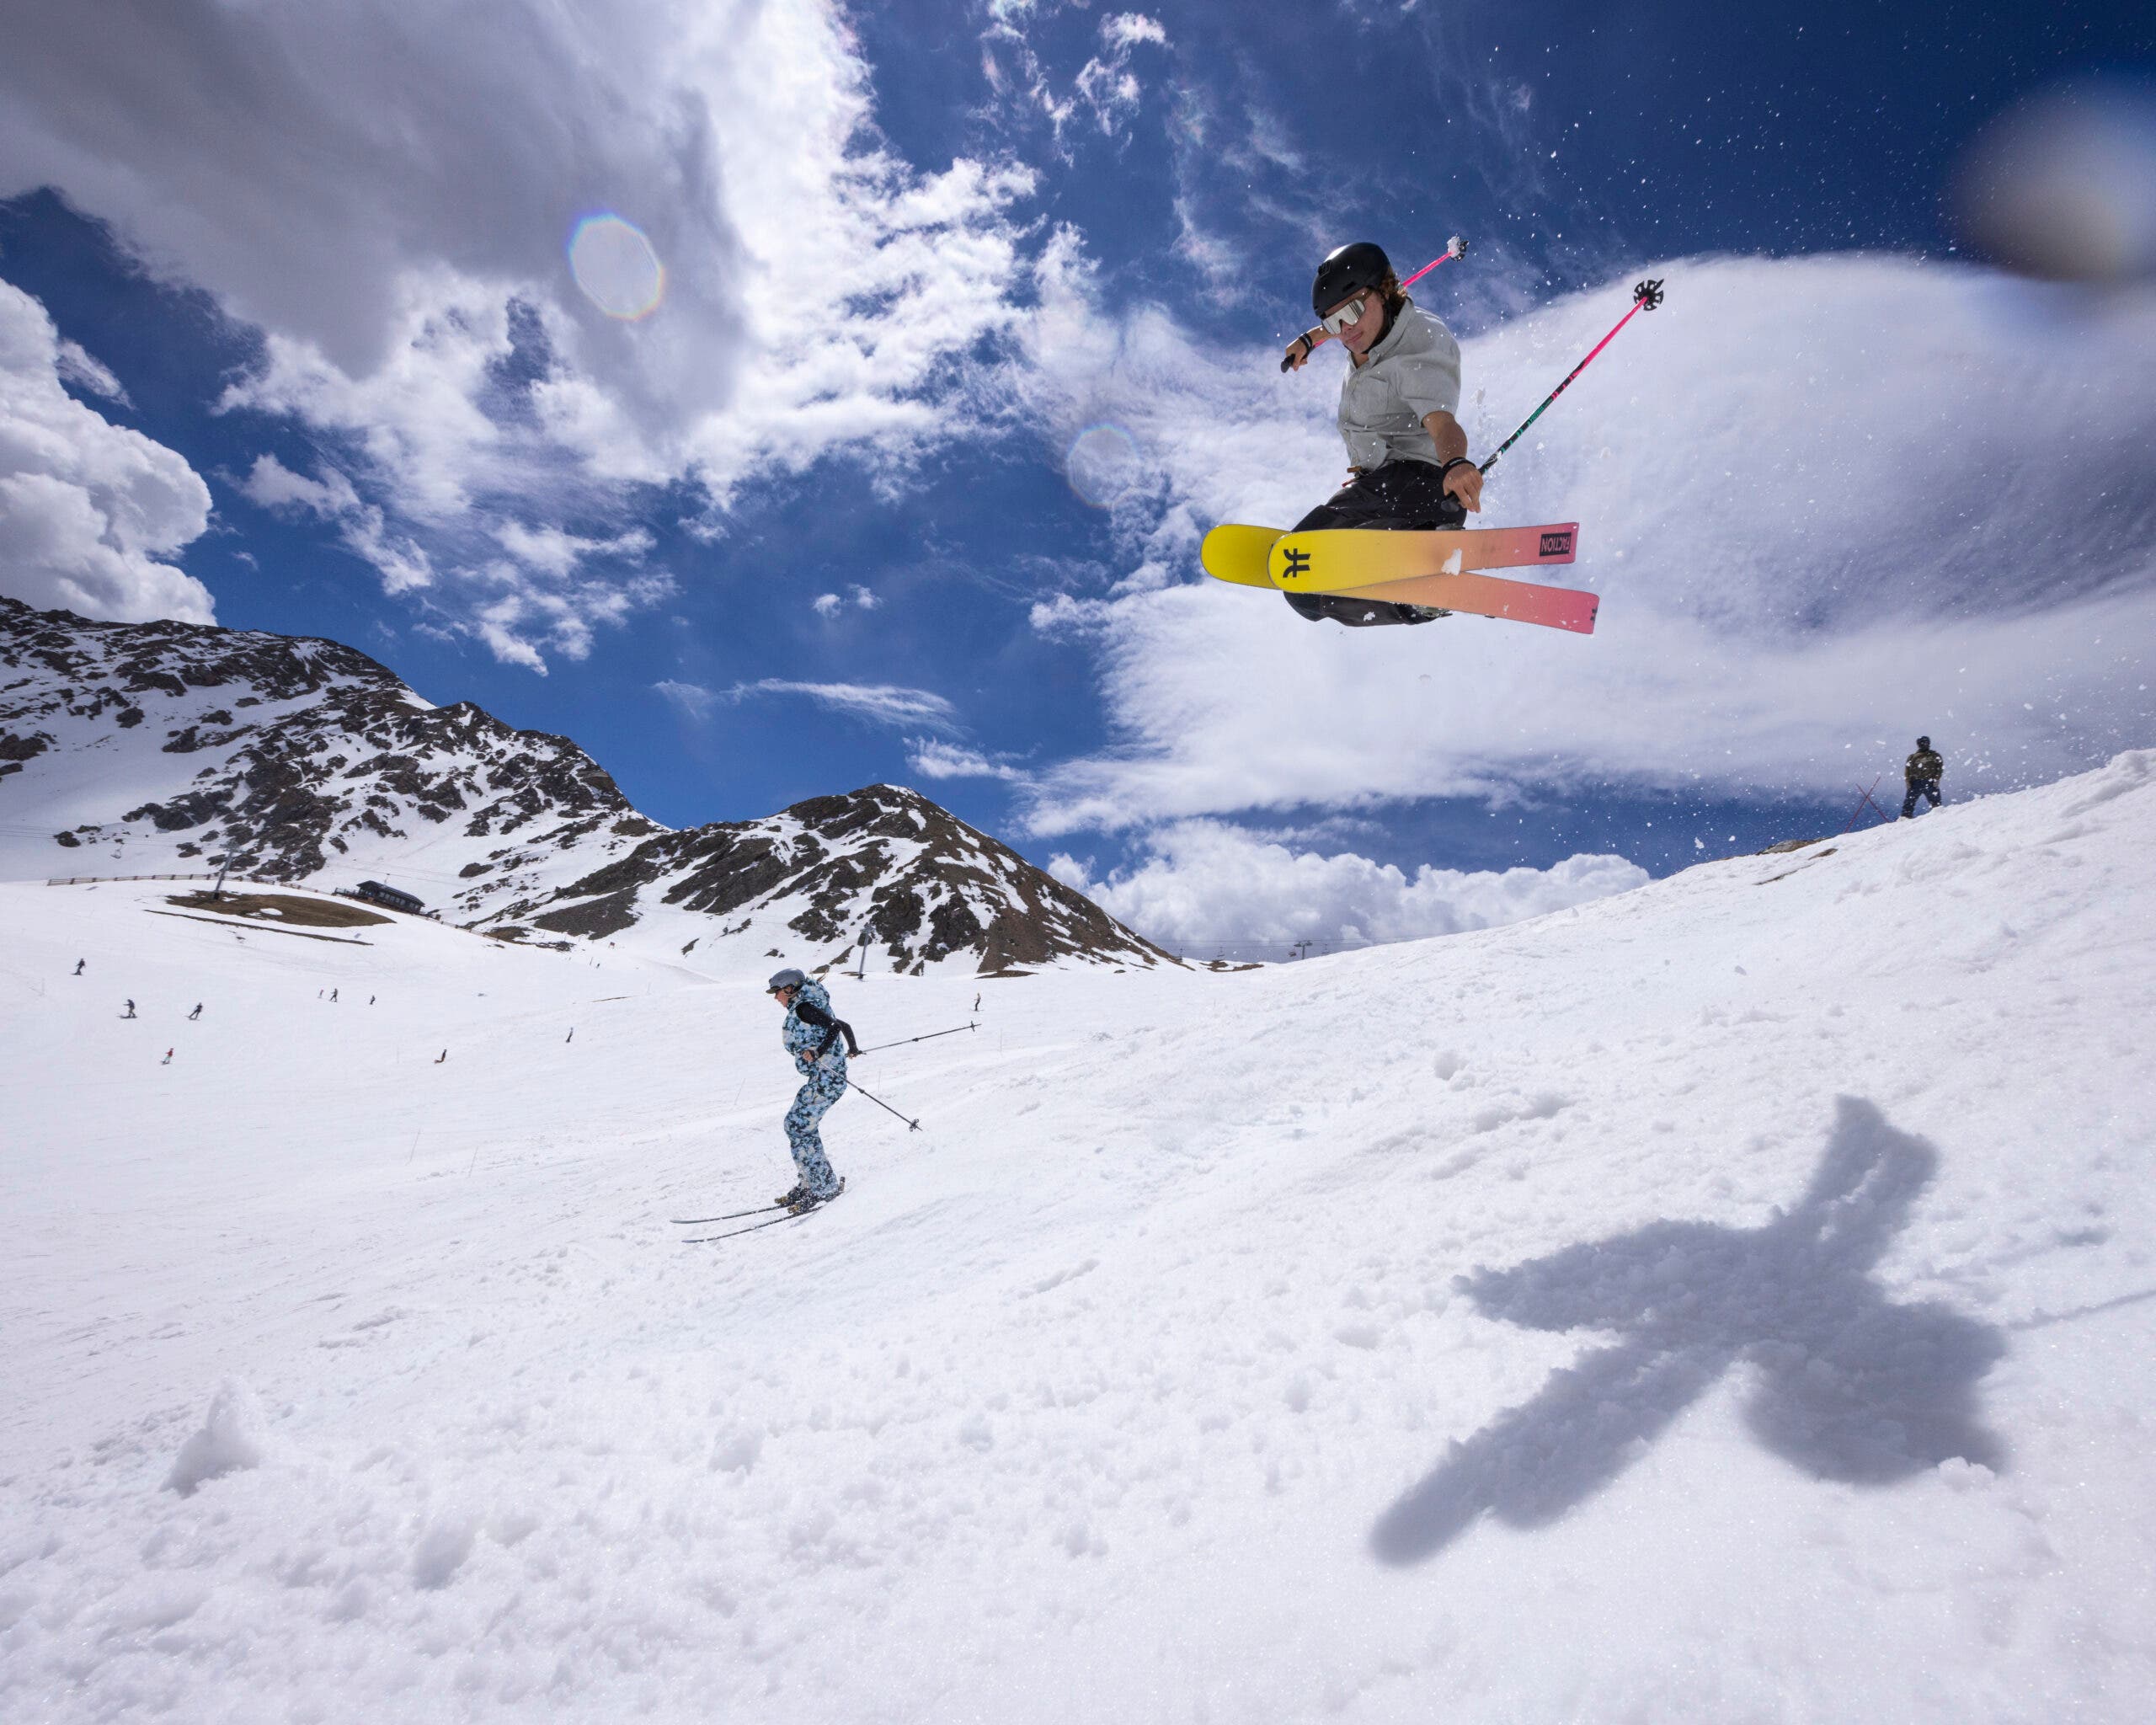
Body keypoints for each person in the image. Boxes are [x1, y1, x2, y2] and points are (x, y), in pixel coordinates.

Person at [1280, 240, 1486, 626]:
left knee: (1303, 563)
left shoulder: (1419, 346)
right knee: (1306, 595)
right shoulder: (1363, 330)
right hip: (1382, 487)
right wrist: (1311, 339)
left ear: (1385, 291)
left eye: (1353, 312)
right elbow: (1344, 321)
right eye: (1331, 322)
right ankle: (1415, 592)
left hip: (1420, 485)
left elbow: (1441, 422)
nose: (1345, 331)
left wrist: (1456, 462)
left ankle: (1434, 544)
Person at [767, 968, 859, 1210]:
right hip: (824, 1080)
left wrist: (818, 1051)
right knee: (797, 1126)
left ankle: (822, 1188)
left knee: (799, 1127)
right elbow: (842, 1024)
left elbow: (834, 1027)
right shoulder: (809, 1005)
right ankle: (811, 1183)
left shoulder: (803, 1007)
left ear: (789, 989)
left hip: (826, 1082)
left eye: (777, 993)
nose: (775, 998)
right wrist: (852, 1048)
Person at [1902, 736, 1945, 818]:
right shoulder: (1912, 757)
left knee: (1936, 803)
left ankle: (1938, 817)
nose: (1924, 745)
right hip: (1915, 782)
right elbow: (1907, 770)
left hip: (1930, 782)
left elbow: (1940, 767)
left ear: (1928, 744)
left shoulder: (1934, 755)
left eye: (1925, 743)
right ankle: (1905, 818)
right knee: (1909, 802)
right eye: (1922, 743)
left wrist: (1937, 779)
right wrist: (1907, 781)